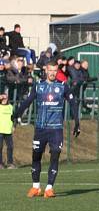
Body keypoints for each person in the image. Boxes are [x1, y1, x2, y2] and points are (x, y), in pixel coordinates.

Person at [13, 61, 80, 198]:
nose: (53, 73)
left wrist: (77, 122)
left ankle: (49, 188)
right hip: (40, 128)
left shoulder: (63, 87)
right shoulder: (38, 86)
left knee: (55, 154)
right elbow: (27, 101)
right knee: (36, 156)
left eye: (55, 70)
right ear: (46, 70)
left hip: (56, 129)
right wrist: (16, 114)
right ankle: (36, 187)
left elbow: (73, 103)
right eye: (50, 70)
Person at [0, 92, 15, 169]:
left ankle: (10, 163)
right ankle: (0, 164)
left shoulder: (10, 107)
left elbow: (12, 117)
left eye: (6, 97)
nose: (5, 99)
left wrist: (13, 126)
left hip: (8, 130)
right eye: (3, 97)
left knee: (10, 147)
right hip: (0, 130)